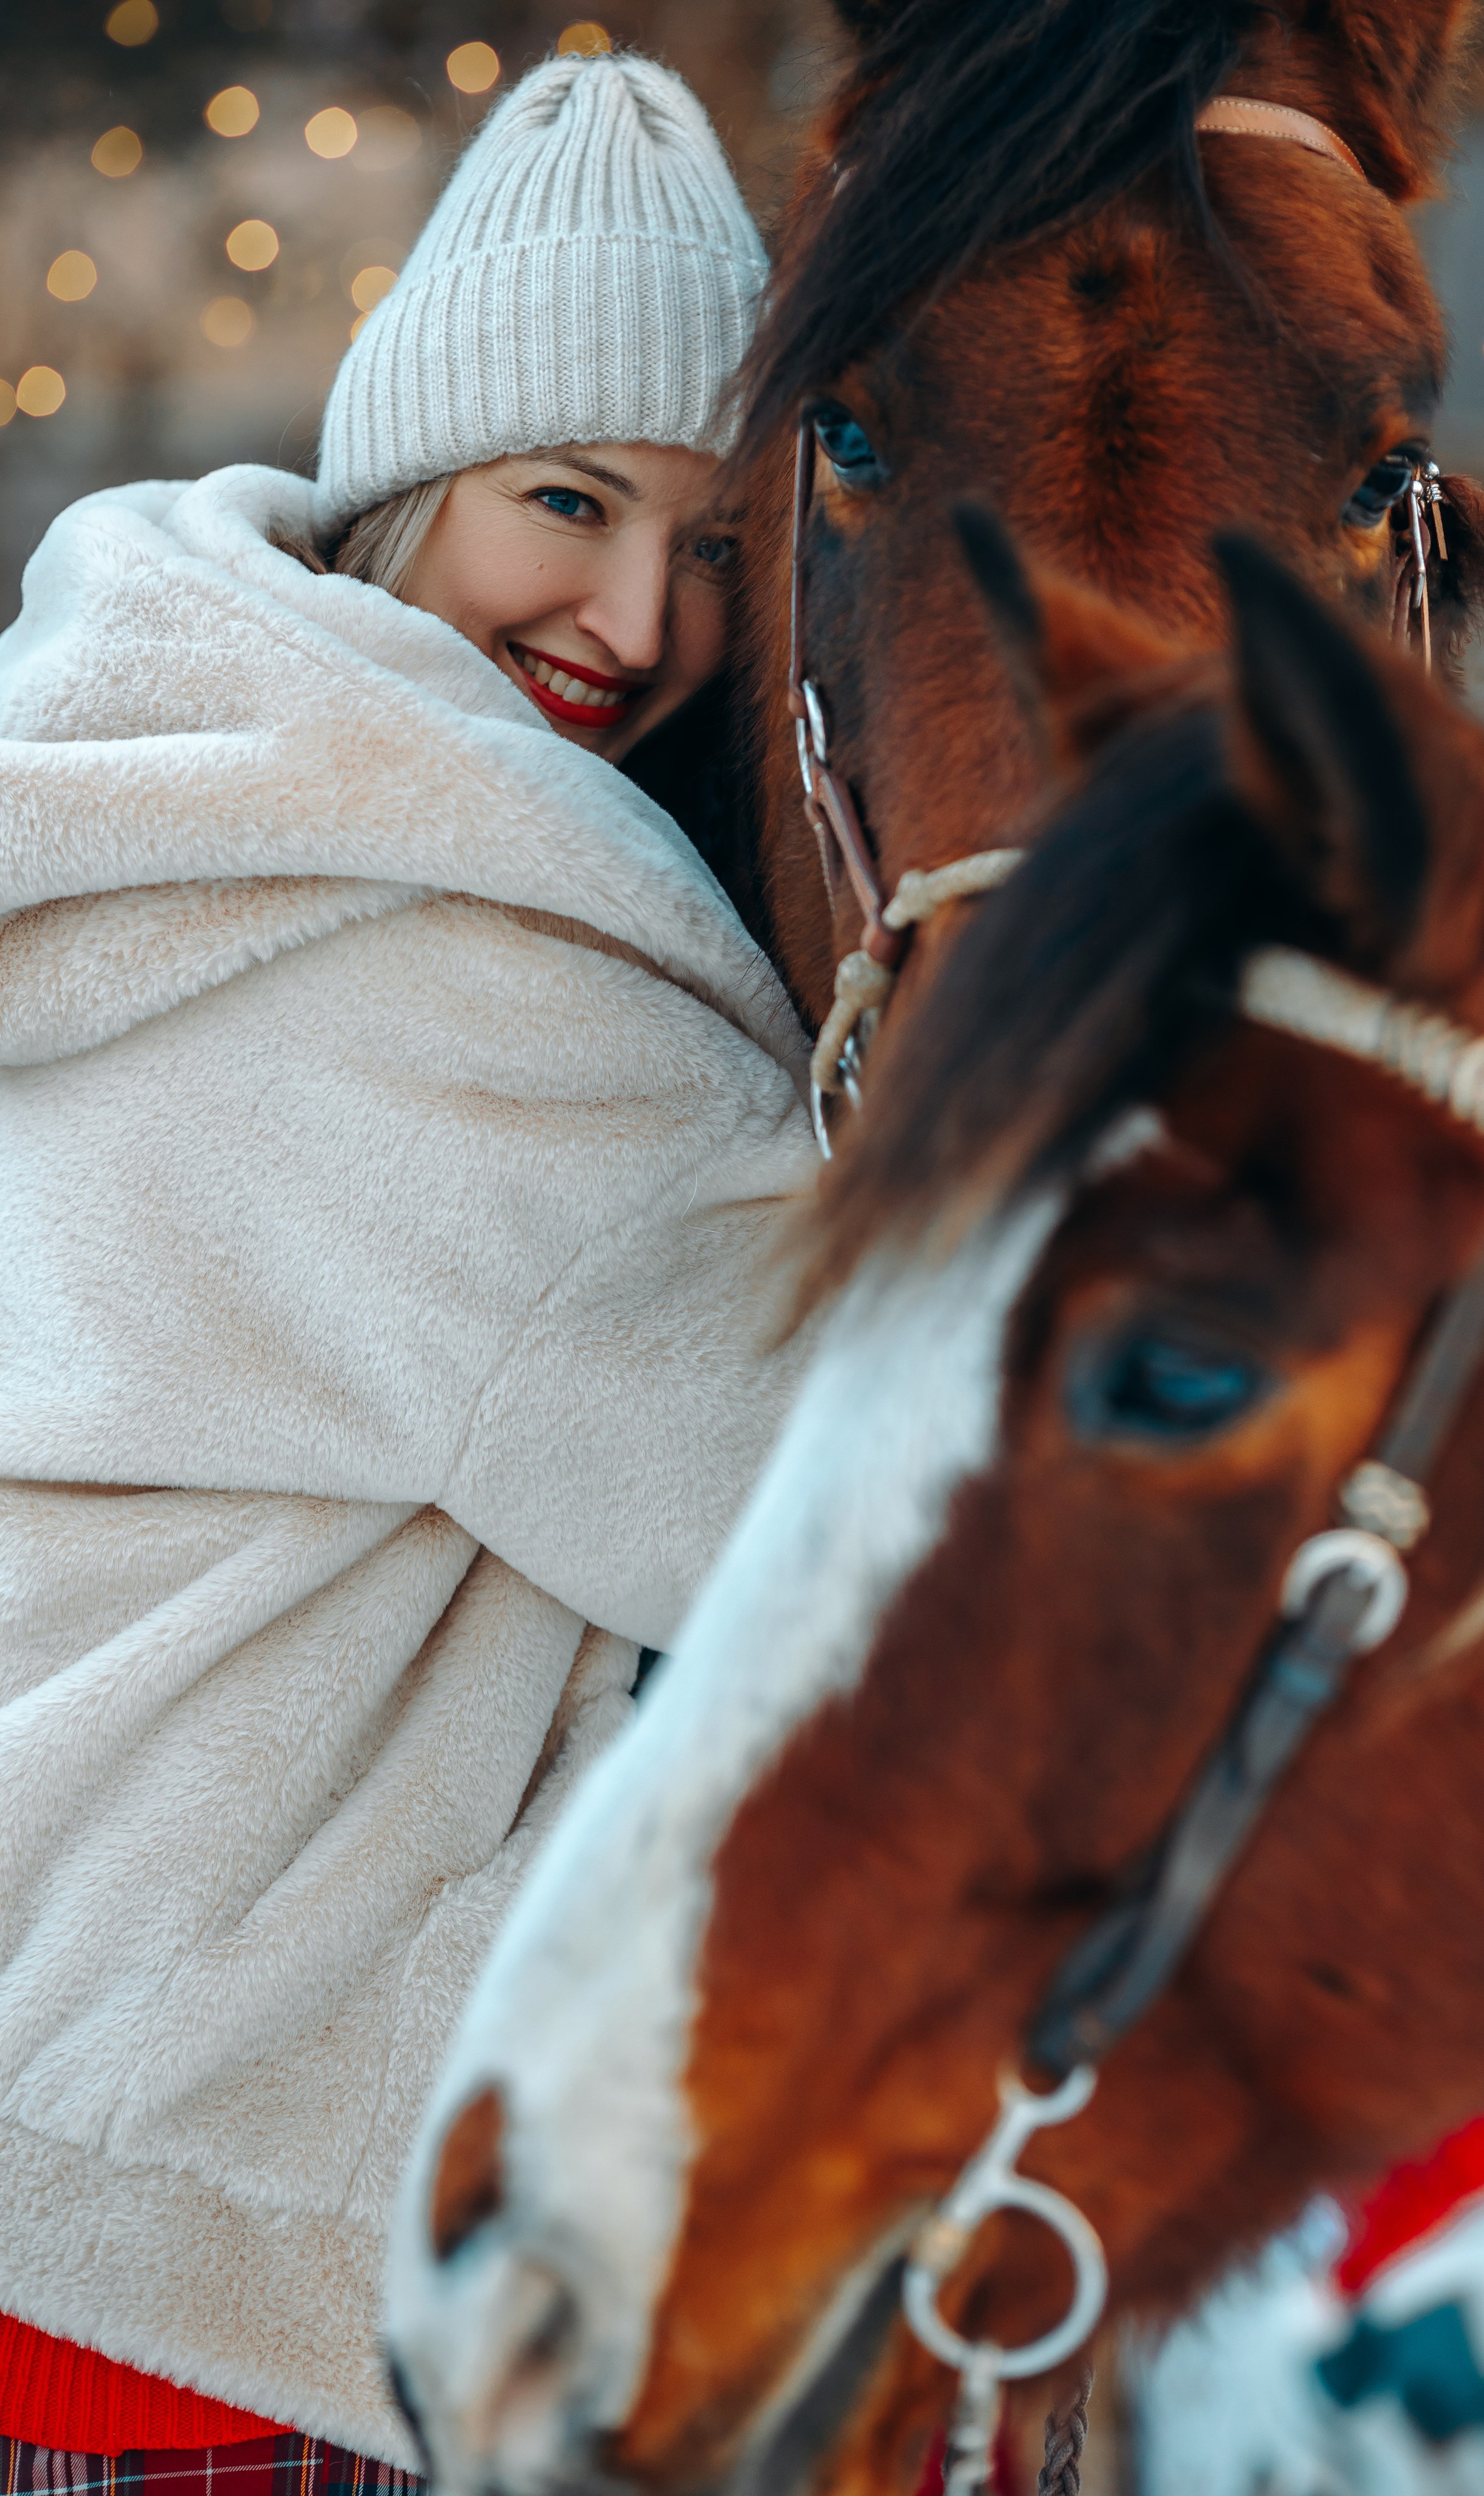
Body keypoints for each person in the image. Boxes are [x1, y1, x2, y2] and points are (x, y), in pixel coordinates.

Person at [0, 47, 814, 2489]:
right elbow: (818, 1500)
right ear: (409, 480)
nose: (640, 615)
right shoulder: (472, 962)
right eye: (567, 502)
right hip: (243, 2260)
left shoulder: (162, 799)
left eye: (721, 546)